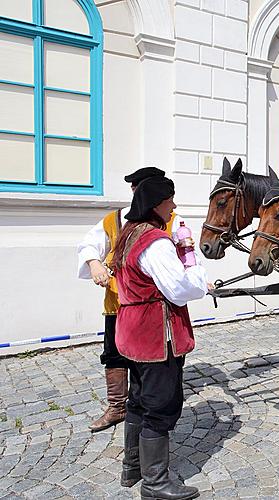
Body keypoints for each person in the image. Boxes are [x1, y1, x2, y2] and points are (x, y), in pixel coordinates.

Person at [111, 175, 207, 499]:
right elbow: (179, 290)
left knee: (138, 398)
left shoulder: (128, 234)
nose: (174, 206)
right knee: (161, 405)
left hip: (132, 332)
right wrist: (191, 259)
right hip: (155, 335)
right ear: (156, 204)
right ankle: (155, 483)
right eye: (170, 200)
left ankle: (132, 467)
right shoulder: (155, 241)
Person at [77, 167, 181, 432]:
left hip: (153, 308)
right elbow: (90, 244)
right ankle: (117, 406)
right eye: (134, 189)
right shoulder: (114, 220)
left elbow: (181, 259)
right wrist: (95, 265)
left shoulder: (171, 219)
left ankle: (144, 402)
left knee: (151, 364)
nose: (136, 193)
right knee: (114, 355)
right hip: (117, 302)